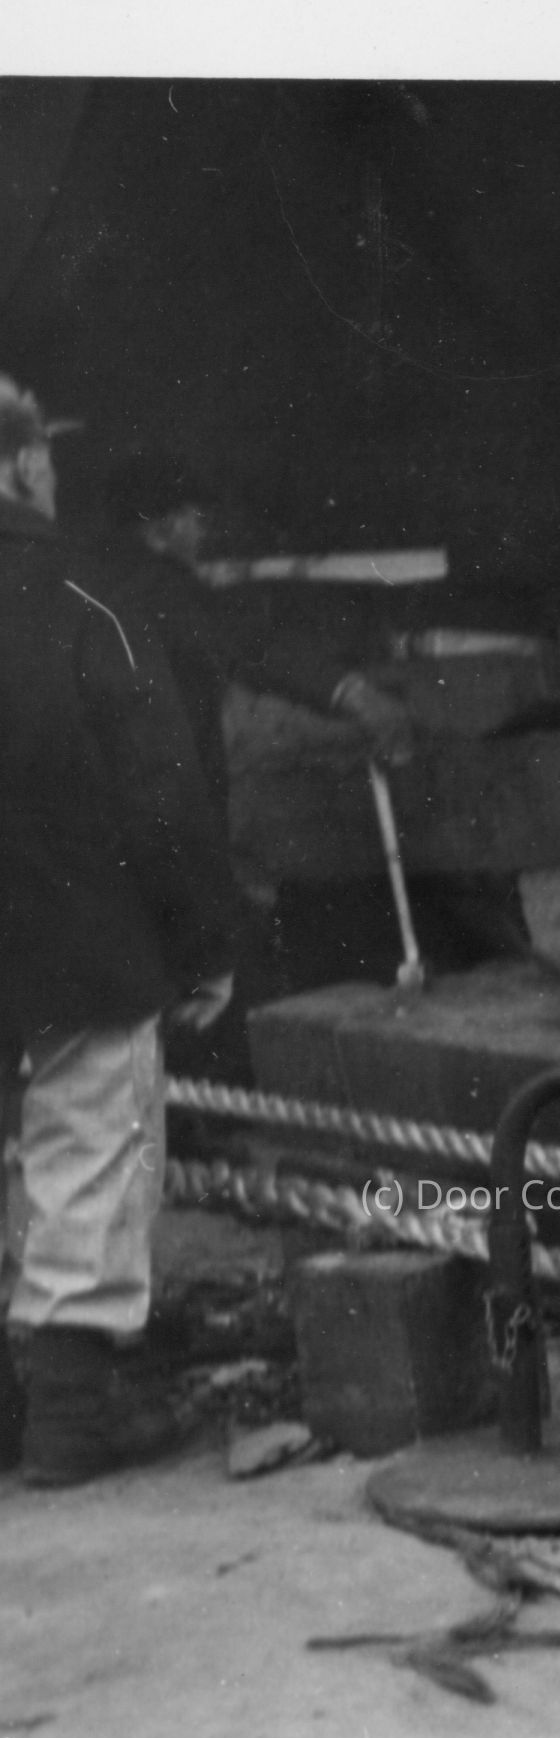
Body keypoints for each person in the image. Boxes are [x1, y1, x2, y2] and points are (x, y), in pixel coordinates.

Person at [0, 381, 240, 1484]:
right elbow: (162, 796)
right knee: (91, 1150)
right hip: (78, 946)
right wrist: (203, 945)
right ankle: (68, 1425)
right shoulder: (83, 600)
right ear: (25, 465)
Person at [98, 447, 413, 813]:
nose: (203, 528)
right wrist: (351, 693)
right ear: (163, 530)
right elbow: (250, 648)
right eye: (193, 517)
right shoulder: (164, 589)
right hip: (172, 778)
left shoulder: (111, 582)